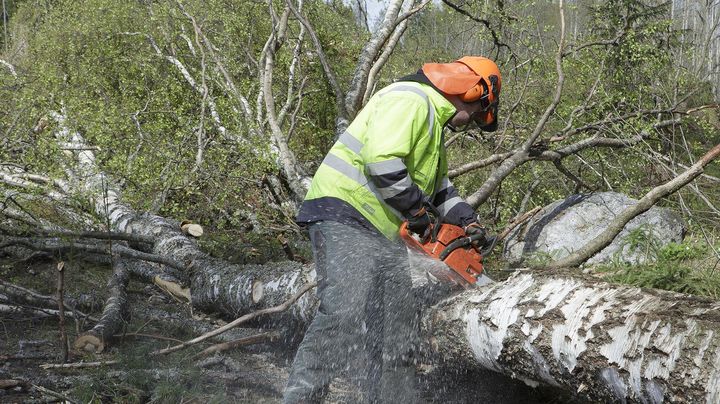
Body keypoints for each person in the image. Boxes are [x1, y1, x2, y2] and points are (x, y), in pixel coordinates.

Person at [283, 56, 502, 403]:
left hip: (382, 232)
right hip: (346, 214)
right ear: (471, 90)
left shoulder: (433, 124)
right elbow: (382, 161)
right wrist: (416, 210)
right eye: (476, 112)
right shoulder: (410, 99)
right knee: (344, 312)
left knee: (396, 331)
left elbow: (440, 189)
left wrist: (467, 221)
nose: (472, 121)